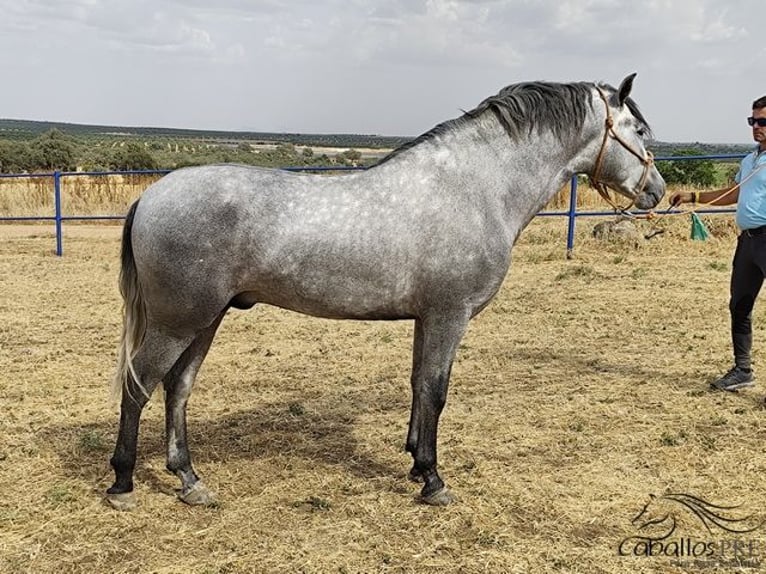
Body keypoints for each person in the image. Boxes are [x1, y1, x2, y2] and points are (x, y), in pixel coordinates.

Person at [670, 95, 766, 391]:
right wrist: (694, 197)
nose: (756, 127)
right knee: (739, 305)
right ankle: (742, 370)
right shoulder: (750, 160)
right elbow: (733, 193)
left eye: (763, 121)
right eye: (753, 121)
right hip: (748, 242)